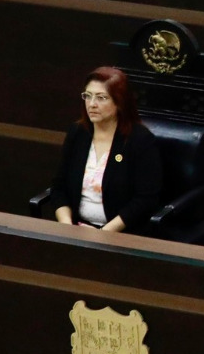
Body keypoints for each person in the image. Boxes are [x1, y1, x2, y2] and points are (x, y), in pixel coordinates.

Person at [45, 67, 162, 233]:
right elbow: (59, 187)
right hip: (76, 230)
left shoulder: (139, 140)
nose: (92, 104)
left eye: (101, 98)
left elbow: (145, 199)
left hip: (120, 235)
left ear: (119, 103)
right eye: (88, 96)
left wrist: (104, 234)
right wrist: (66, 226)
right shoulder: (78, 133)